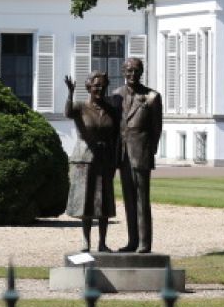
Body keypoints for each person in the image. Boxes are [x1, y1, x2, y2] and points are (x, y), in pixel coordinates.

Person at [63, 71, 120, 252]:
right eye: (96, 85)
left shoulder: (111, 110)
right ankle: (86, 241)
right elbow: (68, 112)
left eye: (102, 85)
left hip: (105, 159)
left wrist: (114, 159)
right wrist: (70, 93)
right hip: (85, 159)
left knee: (104, 202)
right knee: (86, 203)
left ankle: (102, 242)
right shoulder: (80, 107)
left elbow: (115, 135)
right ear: (88, 87)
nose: (99, 89)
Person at [114, 57, 162, 253]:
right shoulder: (117, 95)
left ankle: (144, 242)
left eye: (136, 71)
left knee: (142, 200)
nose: (132, 75)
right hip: (123, 155)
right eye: (129, 71)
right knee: (129, 201)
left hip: (141, 153)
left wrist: (149, 152)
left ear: (141, 73)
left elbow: (156, 129)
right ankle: (132, 241)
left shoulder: (152, 97)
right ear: (123, 73)